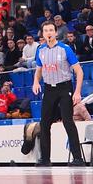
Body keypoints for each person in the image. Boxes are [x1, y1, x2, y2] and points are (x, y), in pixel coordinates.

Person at [32, 20, 85, 166]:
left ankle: (78, 158)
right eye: (46, 30)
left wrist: (77, 92)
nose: (48, 33)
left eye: (51, 30)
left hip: (64, 88)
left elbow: (79, 72)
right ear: (43, 34)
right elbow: (38, 70)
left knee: (68, 121)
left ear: (56, 32)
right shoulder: (40, 50)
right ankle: (45, 159)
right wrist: (36, 82)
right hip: (49, 89)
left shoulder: (65, 49)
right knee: (44, 124)